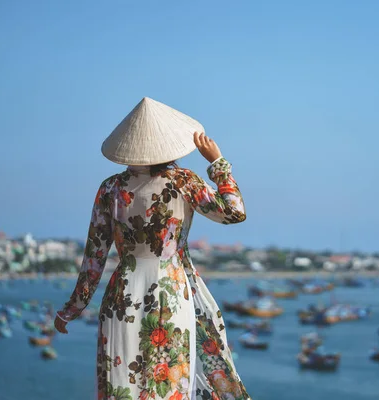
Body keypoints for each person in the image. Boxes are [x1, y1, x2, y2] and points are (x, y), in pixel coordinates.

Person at [54, 97, 251, 400]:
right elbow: (234, 212)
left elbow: (94, 257)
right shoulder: (185, 181)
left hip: (123, 294)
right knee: (169, 385)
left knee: (121, 386)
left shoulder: (110, 188)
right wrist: (217, 162)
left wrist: (71, 310)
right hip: (172, 293)